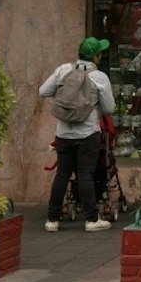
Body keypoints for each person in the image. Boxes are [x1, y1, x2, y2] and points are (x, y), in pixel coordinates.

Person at [38, 38, 117, 230]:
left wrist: (66, 102)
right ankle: (91, 220)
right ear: (96, 56)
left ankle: (52, 220)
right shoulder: (99, 77)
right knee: (85, 175)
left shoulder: (63, 69)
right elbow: (109, 108)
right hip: (88, 133)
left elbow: (43, 91)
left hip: (63, 133)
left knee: (62, 174)